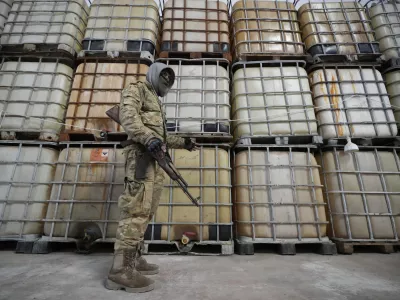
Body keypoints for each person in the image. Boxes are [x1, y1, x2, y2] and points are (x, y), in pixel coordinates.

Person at [105, 63, 198, 293]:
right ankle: (120, 271)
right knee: (136, 210)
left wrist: (184, 142)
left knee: (147, 210)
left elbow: (161, 137)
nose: (166, 82)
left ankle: (134, 259)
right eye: (164, 77)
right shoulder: (136, 89)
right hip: (141, 160)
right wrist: (147, 137)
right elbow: (127, 116)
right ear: (155, 73)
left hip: (155, 163)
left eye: (170, 80)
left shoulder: (156, 101)